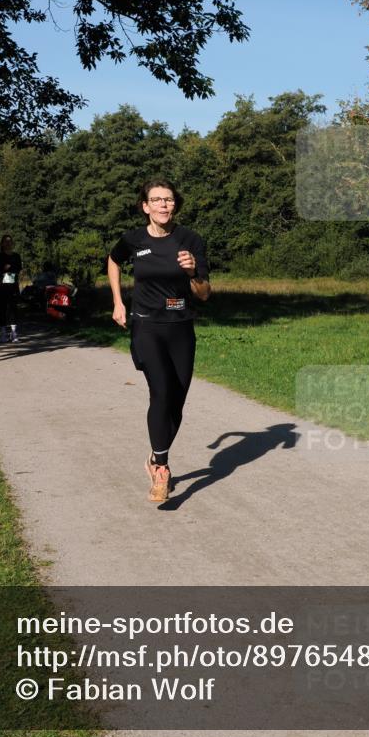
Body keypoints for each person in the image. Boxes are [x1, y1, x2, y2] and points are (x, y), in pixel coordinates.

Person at [108, 179, 210, 503]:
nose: (163, 205)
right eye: (156, 200)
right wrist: (118, 302)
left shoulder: (191, 240)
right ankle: (162, 469)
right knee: (161, 392)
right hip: (147, 327)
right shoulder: (134, 240)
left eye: (168, 200)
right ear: (145, 206)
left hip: (181, 327)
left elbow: (205, 294)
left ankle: (154, 457)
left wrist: (193, 273)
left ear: (174, 205)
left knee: (176, 404)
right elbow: (113, 260)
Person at [0, 234, 22, 343]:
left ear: (12, 243)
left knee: (13, 309)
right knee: (2, 310)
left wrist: (10, 269)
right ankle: (3, 334)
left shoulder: (16, 256)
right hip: (1, 286)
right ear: (2, 243)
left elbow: (18, 269)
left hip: (13, 285)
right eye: (6, 241)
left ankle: (14, 333)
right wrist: (3, 269)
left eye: (10, 241)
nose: (8, 243)